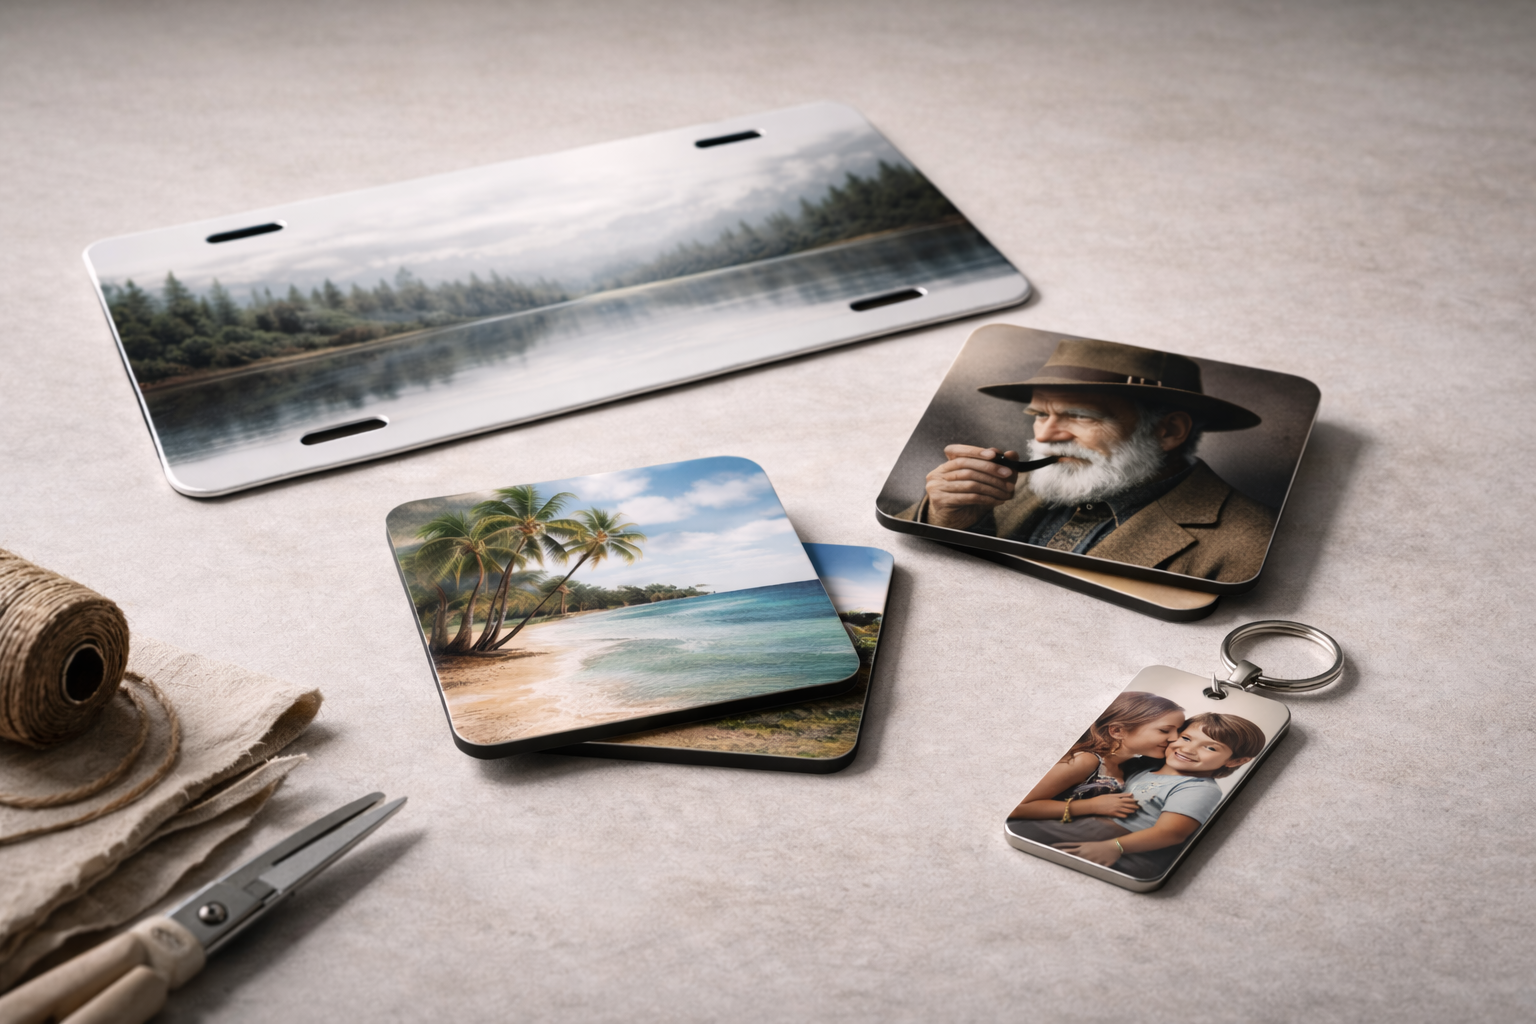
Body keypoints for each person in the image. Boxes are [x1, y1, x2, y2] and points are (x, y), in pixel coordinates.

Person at [895, 338, 1277, 584]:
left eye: (1079, 416)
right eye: (1040, 415)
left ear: (1168, 431)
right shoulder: (1016, 483)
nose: (1044, 436)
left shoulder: (1247, 543)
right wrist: (948, 521)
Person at [1014, 712, 1268, 879]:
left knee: (1030, 833)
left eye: (1210, 747)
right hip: (1083, 824)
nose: (1188, 749)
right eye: (1186, 737)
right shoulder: (1143, 768)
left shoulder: (1199, 787)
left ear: (1238, 760)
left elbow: (1172, 832)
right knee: (1024, 827)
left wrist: (1114, 846)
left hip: (1118, 839)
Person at [1007, 691, 1187, 826]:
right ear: (1117, 730)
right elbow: (1017, 808)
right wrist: (1091, 806)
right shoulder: (1085, 761)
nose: (1174, 738)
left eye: (1178, 732)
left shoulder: (1129, 767)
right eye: (1165, 730)